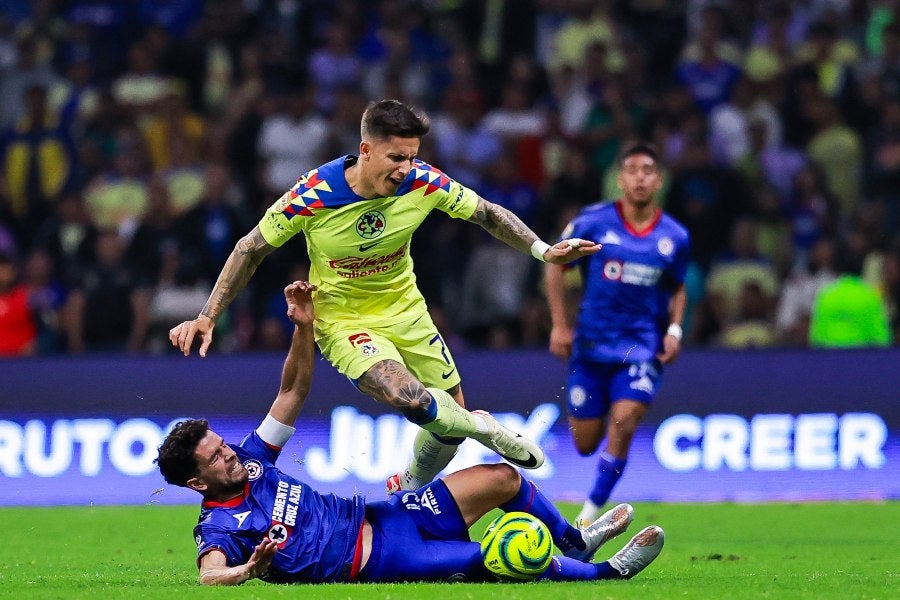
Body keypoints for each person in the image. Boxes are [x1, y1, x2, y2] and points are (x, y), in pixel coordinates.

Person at [169, 99, 600, 493]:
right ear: (366, 150)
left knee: (445, 428)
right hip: (344, 321)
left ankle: (410, 481)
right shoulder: (314, 194)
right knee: (410, 398)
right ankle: (485, 430)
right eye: (397, 157)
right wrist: (208, 315)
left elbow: (486, 213)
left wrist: (543, 250)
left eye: (412, 157)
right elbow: (251, 248)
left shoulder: (422, 182)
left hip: (407, 311)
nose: (406, 168)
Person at [157, 281, 665, 585]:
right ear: (198, 483)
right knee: (499, 556)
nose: (228, 454)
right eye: (217, 458)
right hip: (378, 559)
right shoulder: (219, 526)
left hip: (384, 514)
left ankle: (574, 543)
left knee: (501, 479)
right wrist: (246, 571)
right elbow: (209, 575)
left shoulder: (252, 460)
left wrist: (304, 327)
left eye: (221, 444)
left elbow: (290, 393)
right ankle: (607, 575)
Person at [545, 142, 690, 526]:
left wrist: (674, 330)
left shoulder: (675, 237)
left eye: (648, 171)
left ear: (658, 180)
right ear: (621, 179)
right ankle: (603, 411)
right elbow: (554, 263)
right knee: (585, 443)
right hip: (591, 348)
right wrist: (560, 324)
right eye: (633, 170)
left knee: (624, 422)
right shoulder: (593, 221)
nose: (640, 177)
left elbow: (678, 286)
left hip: (640, 348)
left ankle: (588, 518)